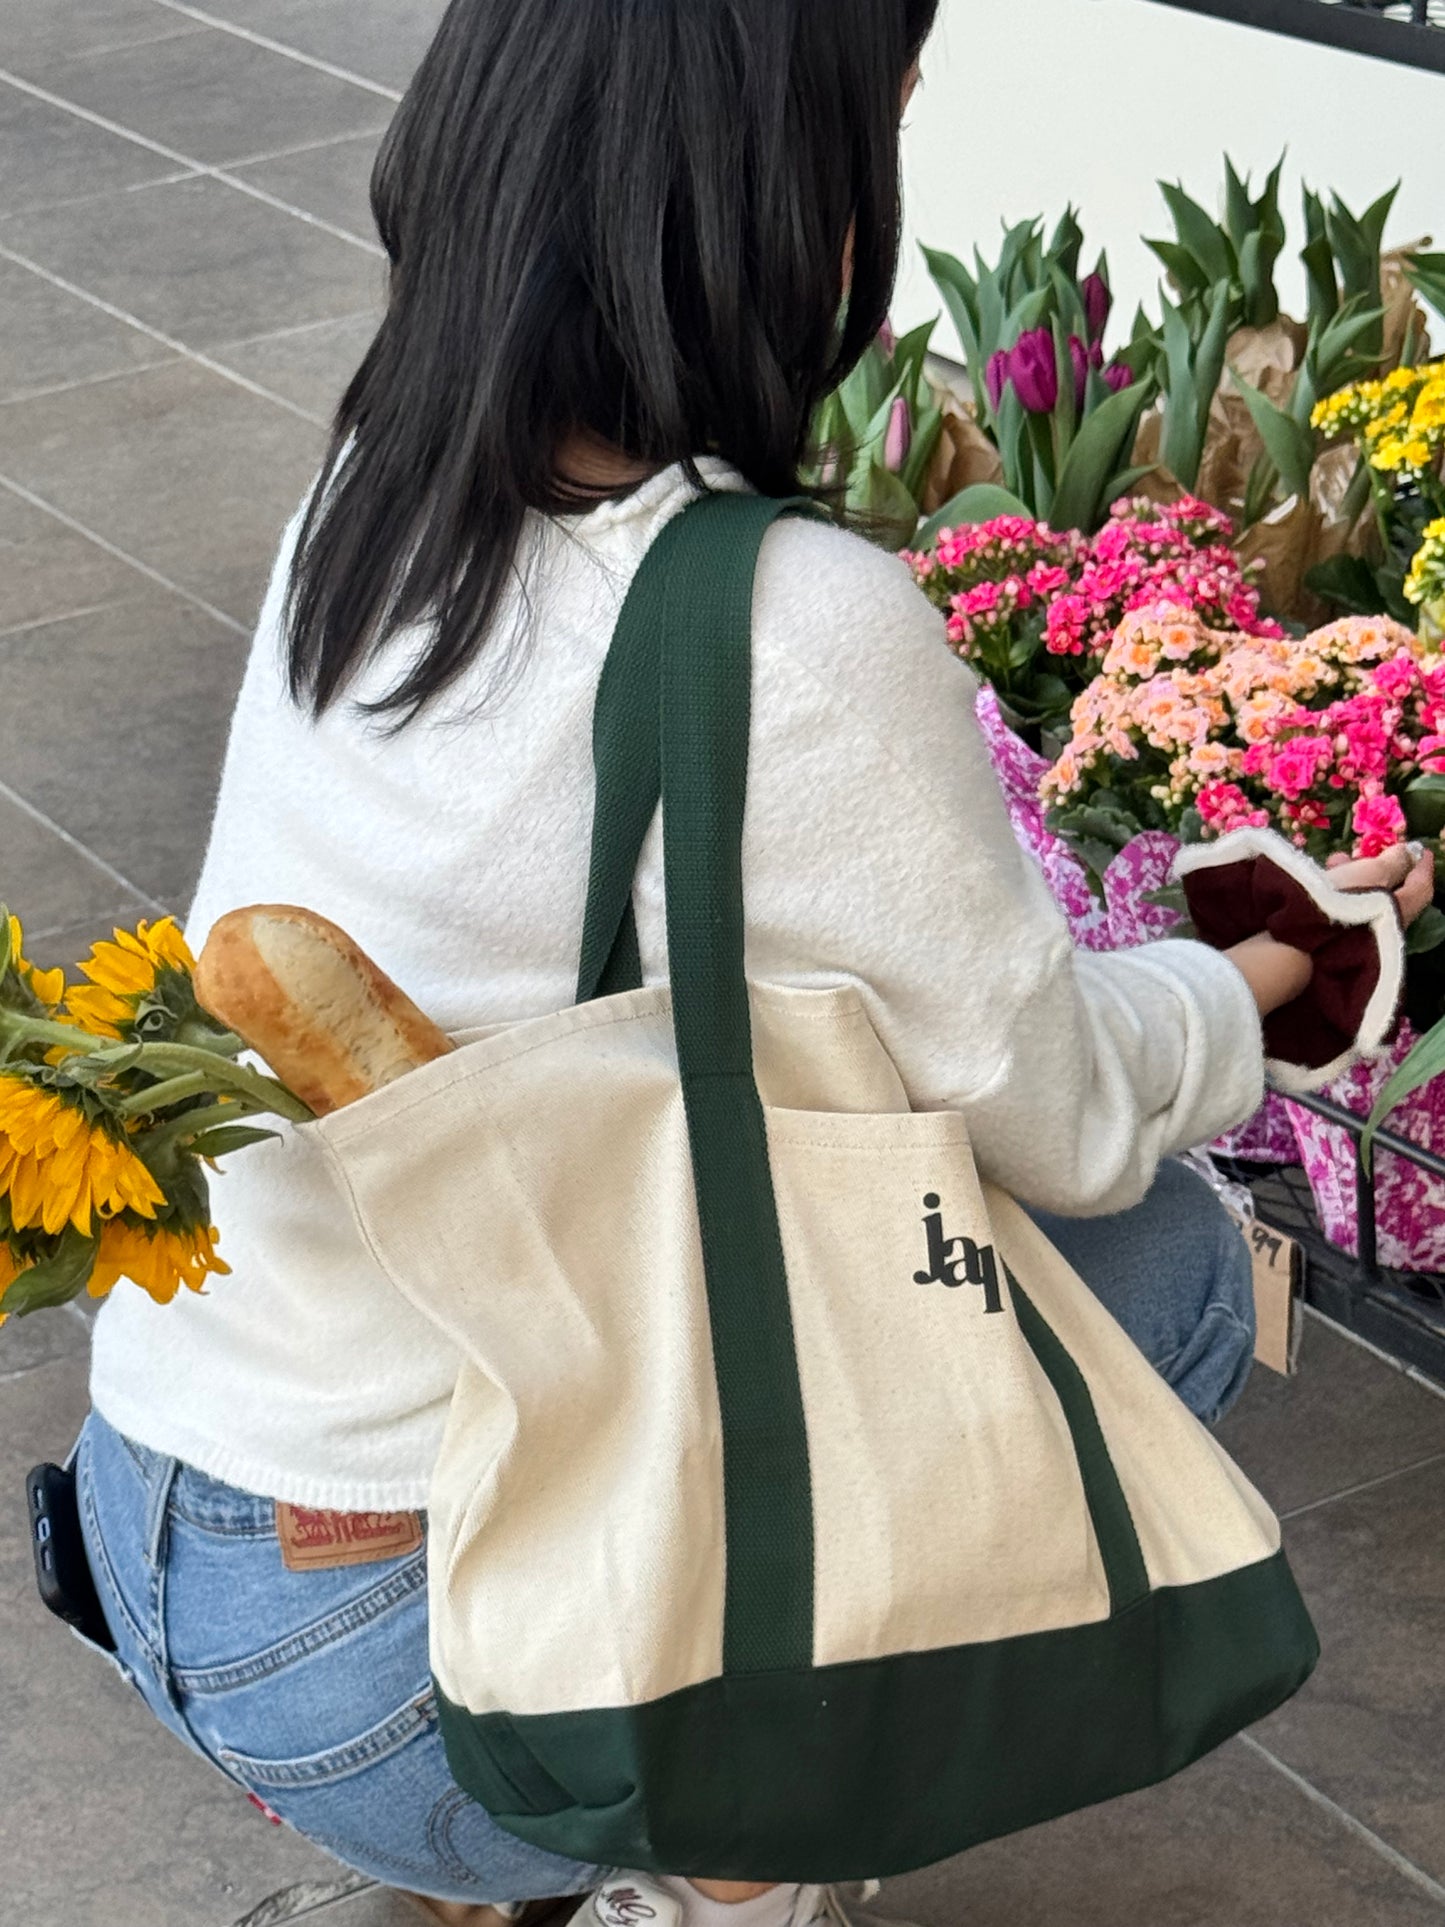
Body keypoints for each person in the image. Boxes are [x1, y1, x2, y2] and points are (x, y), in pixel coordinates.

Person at [73, 2, 1433, 1924]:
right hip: (423, 1662)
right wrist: (1247, 993)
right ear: (776, 199)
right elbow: (1051, 1119)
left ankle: (498, 1854)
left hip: (174, 1526)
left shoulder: (383, 487)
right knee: (1163, 1268)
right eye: (884, 122)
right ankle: (712, 1858)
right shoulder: (780, 617)